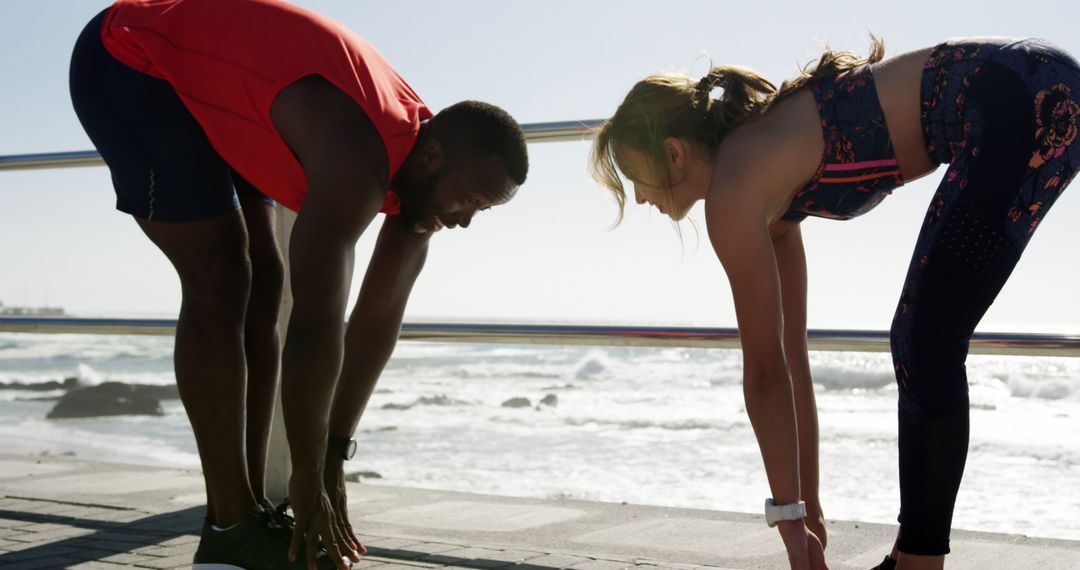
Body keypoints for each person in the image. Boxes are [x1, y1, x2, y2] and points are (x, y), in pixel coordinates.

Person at [69, 0, 528, 568]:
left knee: (266, 283)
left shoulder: (422, 171)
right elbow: (316, 324)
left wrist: (332, 457)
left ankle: (247, 514)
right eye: (470, 201)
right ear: (434, 156)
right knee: (222, 277)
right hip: (132, 59)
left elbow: (377, 319)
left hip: (227, 89)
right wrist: (307, 478)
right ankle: (230, 523)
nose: (463, 220)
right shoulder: (357, 162)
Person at [591, 36, 1079, 570]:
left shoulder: (736, 192)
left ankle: (917, 561)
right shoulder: (763, 192)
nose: (640, 196)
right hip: (1027, 84)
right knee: (923, 338)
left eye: (635, 178)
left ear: (674, 152)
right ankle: (912, 557)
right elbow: (789, 360)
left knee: (925, 339)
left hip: (1018, 95)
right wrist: (809, 515)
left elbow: (764, 376)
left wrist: (788, 524)